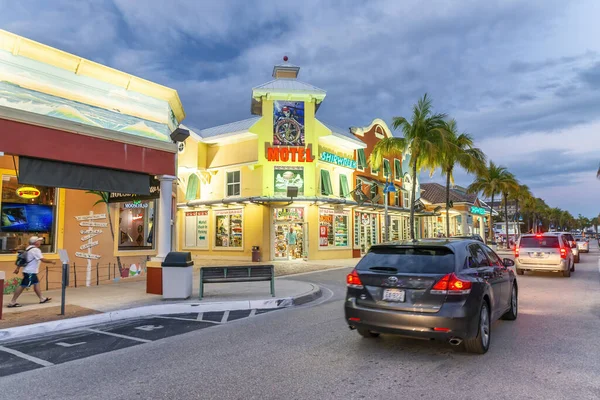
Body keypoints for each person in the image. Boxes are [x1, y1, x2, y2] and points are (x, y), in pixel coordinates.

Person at [7, 236, 56, 307]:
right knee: (23, 285)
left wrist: (18, 268)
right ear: (36, 242)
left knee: (36, 284)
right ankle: (12, 302)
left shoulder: (28, 248)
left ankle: (42, 298)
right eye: (39, 241)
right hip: (30, 272)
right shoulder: (36, 250)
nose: (41, 242)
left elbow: (22, 259)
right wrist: (51, 261)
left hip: (29, 271)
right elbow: (42, 259)